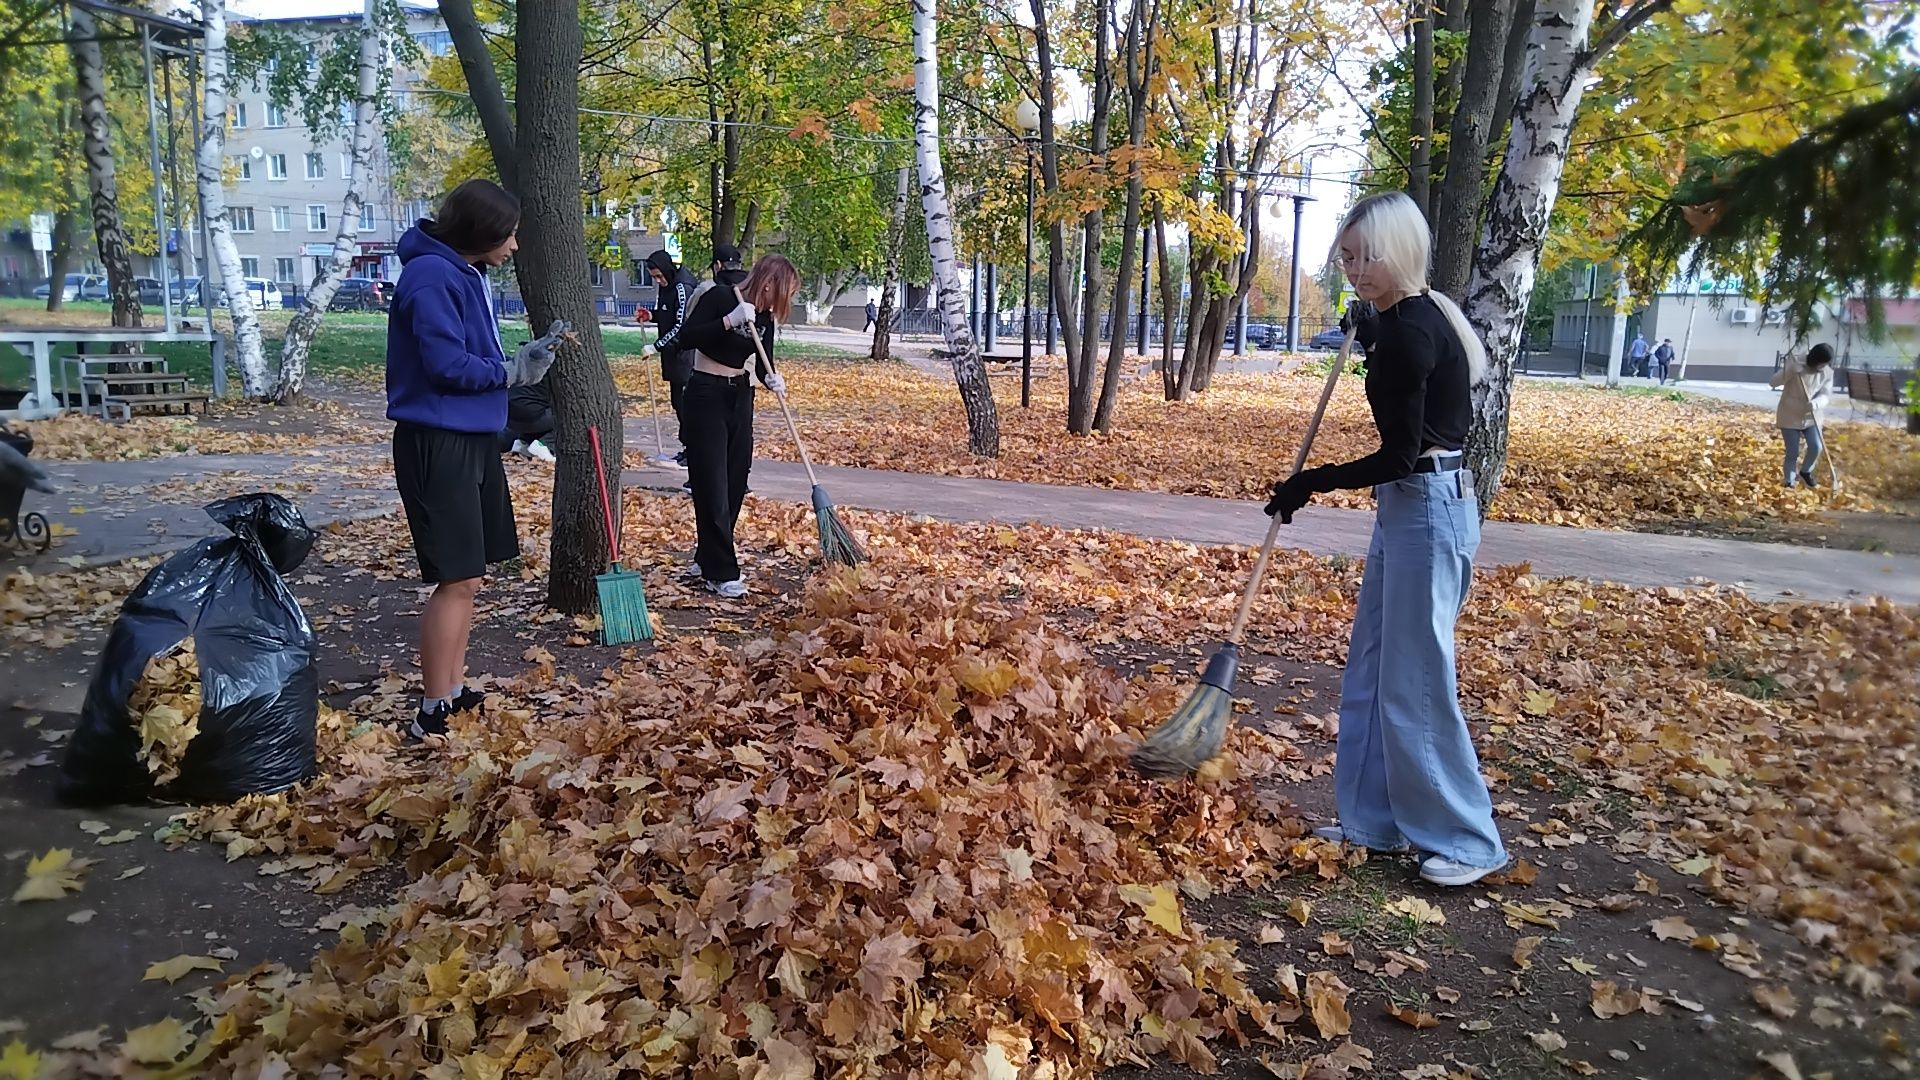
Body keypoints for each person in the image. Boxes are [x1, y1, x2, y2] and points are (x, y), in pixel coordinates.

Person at [1265, 190, 1508, 888]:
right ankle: (1372, 821)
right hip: (1411, 508)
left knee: (1417, 681)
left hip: (1427, 506)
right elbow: (1406, 385)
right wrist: (1368, 332)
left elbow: (1401, 453)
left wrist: (1310, 482)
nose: (1354, 270)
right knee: (1373, 666)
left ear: (1398, 250)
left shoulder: (1411, 332)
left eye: (1365, 257)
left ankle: (1467, 839)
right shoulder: (1409, 320)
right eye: (1345, 258)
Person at [386, 178, 563, 740]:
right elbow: (446, 365)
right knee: (456, 578)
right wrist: (513, 371)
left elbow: (471, 355)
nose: (513, 247)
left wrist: (518, 360)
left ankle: (453, 691)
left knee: (470, 579)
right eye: (508, 236)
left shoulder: (462, 271)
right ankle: (432, 709)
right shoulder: (431, 275)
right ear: (481, 232)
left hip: (470, 439)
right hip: (438, 442)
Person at [672, 253, 799, 598]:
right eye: (783, 292)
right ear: (769, 283)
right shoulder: (721, 297)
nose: (782, 302)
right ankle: (721, 571)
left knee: (735, 479)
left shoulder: (764, 318)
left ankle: (708, 555)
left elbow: (762, 363)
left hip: (740, 397)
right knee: (711, 483)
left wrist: (772, 378)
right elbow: (687, 337)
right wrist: (728, 321)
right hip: (705, 395)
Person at [640, 248, 700, 466]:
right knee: (678, 403)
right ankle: (688, 447)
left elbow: (681, 325)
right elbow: (666, 314)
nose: (657, 281)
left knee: (686, 405)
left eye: (658, 275)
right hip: (673, 357)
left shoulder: (683, 288)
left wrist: (656, 346)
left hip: (686, 355)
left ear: (667, 269)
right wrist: (652, 315)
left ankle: (694, 448)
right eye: (653, 277)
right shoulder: (666, 288)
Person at [1771, 343, 1834, 488]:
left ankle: (1806, 471)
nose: (1823, 367)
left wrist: (1817, 403)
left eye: (1825, 364)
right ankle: (1789, 481)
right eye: (1821, 364)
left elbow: (1825, 394)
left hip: (1812, 416)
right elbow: (1773, 382)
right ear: (1814, 359)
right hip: (1790, 415)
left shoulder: (1827, 373)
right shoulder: (1796, 364)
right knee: (1793, 452)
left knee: (1816, 446)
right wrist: (1790, 371)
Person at [496, 380, 556, 463]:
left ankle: (523, 442)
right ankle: (546, 445)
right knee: (566, 415)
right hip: (531, 417)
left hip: (509, 417)